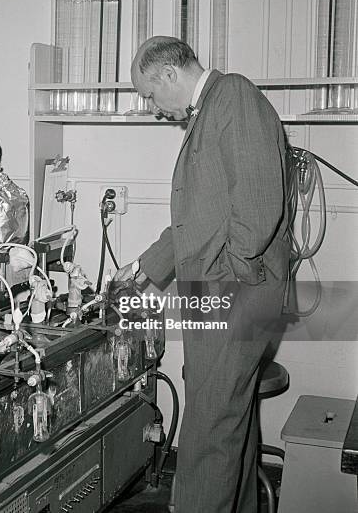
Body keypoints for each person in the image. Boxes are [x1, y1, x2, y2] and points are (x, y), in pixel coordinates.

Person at [113, 36, 290, 512]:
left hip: (234, 294)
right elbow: (198, 219)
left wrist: (216, 288)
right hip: (223, 291)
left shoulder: (232, 96)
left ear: (169, 74)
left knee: (208, 428)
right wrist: (144, 269)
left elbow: (256, 217)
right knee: (231, 419)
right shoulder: (211, 110)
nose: (152, 107)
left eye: (150, 95)